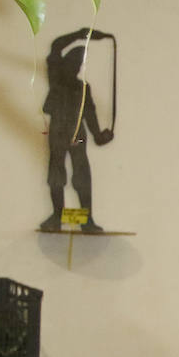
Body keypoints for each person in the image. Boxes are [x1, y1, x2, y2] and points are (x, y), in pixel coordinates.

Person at [40, 27, 115, 232]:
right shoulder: (56, 76)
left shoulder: (82, 87)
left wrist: (99, 135)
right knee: (57, 172)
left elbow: (89, 113)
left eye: (78, 64)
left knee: (81, 173)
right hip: (58, 132)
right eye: (73, 63)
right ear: (65, 63)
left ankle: (85, 220)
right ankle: (58, 216)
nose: (75, 67)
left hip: (77, 135)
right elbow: (56, 46)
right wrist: (81, 34)